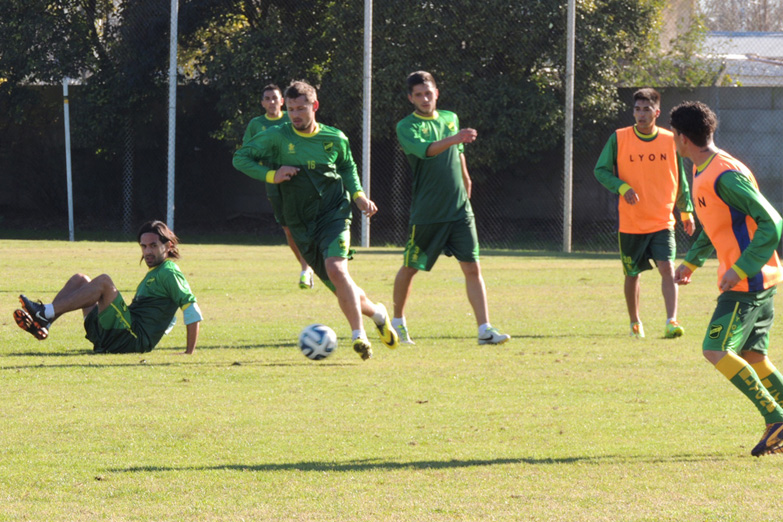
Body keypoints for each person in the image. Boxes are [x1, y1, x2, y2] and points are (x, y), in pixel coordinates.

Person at [233, 80, 398, 361]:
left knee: (337, 269)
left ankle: (358, 336)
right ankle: (379, 314)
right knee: (341, 286)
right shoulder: (277, 137)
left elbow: (347, 166)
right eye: (292, 109)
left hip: (334, 214)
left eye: (301, 108)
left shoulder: (335, 138)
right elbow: (241, 157)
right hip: (301, 223)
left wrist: (358, 194)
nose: (295, 114)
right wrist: (273, 174)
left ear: (315, 106)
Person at [671, 101, 783, 457]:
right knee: (753, 354)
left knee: (715, 349)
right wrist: (691, 261)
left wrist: (740, 267)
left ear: (682, 138)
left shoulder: (724, 174)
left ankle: (775, 418)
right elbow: (715, 223)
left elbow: (773, 222)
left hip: (746, 284)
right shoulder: (706, 170)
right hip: (756, 281)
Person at [393, 71, 510, 346]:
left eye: (428, 92)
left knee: (472, 267)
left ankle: (485, 329)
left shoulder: (450, 118)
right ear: (411, 98)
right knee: (411, 266)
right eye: (418, 94)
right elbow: (428, 150)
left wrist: (466, 177)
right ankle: (397, 323)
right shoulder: (406, 126)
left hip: (459, 209)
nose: (424, 98)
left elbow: (458, 155)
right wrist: (455, 138)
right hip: (428, 212)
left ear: (437, 93)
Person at [594, 87, 696, 339]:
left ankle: (672, 320)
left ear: (657, 112)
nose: (641, 114)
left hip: (662, 220)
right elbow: (601, 171)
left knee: (667, 267)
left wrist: (686, 211)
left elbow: (679, 179)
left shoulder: (669, 140)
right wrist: (622, 187)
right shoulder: (619, 138)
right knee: (632, 274)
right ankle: (635, 322)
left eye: (646, 109)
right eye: (637, 109)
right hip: (631, 223)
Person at [13, 220, 203, 354]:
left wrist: (189, 352)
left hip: (132, 339)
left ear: (168, 246)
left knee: (104, 282)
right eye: (143, 246)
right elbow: (166, 320)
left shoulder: (169, 272)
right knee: (80, 279)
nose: (147, 252)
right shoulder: (155, 273)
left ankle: (45, 311)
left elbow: (191, 309)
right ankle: (45, 321)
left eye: (153, 246)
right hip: (117, 335)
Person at [243, 83, 314, 290]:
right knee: (288, 228)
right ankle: (305, 267)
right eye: (267, 98)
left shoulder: (292, 119)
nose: (272, 102)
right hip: (274, 182)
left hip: (300, 178)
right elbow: (248, 153)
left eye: (275, 98)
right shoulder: (256, 125)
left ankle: (313, 264)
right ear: (262, 103)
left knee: (306, 223)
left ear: (282, 101)